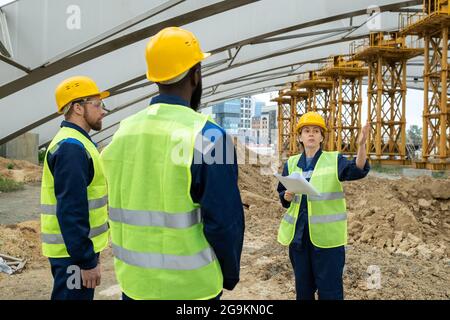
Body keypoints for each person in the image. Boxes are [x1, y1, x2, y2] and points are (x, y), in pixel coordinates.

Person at [100, 26, 244, 300]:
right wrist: (229, 273)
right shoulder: (208, 136)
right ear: (196, 75)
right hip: (192, 289)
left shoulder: (123, 133)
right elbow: (225, 221)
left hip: (135, 285)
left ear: (154, 77)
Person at [277, 111, 370, 300]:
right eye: (307, 131)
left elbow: (358, 170)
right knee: (303, 291)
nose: (311, 134)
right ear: (300, 137)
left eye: (316, 131)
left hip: (328, 241)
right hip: (299, 238)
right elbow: (283, 197)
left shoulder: (334, 160)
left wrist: (361, 146)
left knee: (330, 292)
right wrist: (286, 196)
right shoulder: (292, 163)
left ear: (321, 137)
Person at [40, 76, 110, 300]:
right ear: (78, 108)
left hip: (72, 252)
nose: (103, 111)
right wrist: (86, 260)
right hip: (72, 255)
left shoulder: (76, 142)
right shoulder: (72, 148)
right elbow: (71, 210)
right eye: (97, 105)